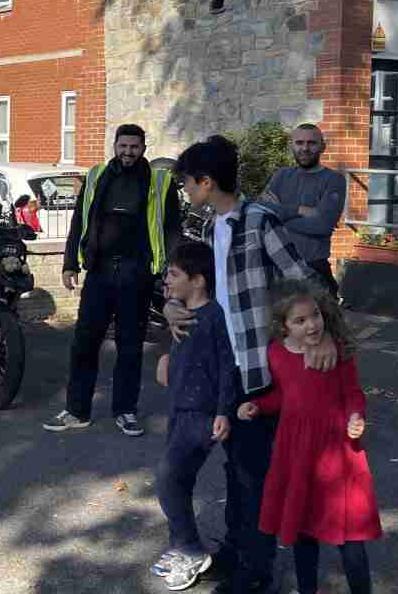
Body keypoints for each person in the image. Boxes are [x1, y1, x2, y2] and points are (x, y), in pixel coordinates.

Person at [168, 135, 336, 594]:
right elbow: (191, 286)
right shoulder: (207, 227)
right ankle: (237, 550)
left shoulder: (259, 221)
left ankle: (255, 569)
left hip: (257, 371)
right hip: (219, 369)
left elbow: (307, 281)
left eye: (187, 182)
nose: (185, 190)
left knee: (250, 472)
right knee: (230, 467)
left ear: (206, 182)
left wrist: (324, 341)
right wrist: (169, 307)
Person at [238, 281, 381, 594]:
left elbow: (353, 393)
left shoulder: (337, 352)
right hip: (296, 452)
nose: (312, 324)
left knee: (350, 534)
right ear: (283, 326)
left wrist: (356, 417)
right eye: (299, 321)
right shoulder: (276, 353)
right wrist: (258, 406)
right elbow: (284, 397)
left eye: (314, 315)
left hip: (338, 451)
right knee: (302, 530)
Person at [45, 124, 180, 436]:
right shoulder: (96, 177)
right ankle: (77, 410)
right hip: (100, 271)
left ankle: (126, 410)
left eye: (134, 147)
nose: (128, 152)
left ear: (144, 148)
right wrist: (69, 264)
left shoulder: (160, 182)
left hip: (137, 273)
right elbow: (79, 220)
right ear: (114, 146)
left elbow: (173, 231)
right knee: (84, 343)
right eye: (123, 146)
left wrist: (172, 275)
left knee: (130, 346)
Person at [151, 241, 235, 591]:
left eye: (174, 274)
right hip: (178, 407)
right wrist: (167, 362)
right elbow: (180, 348)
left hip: (201, 415)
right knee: (179, 482)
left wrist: (223, 411)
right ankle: (179, 547)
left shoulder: (215, 317)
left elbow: (228, 367)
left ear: (198, 280)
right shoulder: (181, 308)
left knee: (168, 481)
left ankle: (190, 548)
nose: (166, 280)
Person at [260, 124, 347, 295]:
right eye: (299, 143)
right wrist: (300, 210)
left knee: (321, 321)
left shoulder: (334, 180)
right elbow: (262, 213)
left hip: (313, 269)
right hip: (277, 268)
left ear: (323, 146)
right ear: (291, 146)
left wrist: (279, 215)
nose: (305, 148)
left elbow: (322, 226)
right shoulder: (281, 175)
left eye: (311, 143)